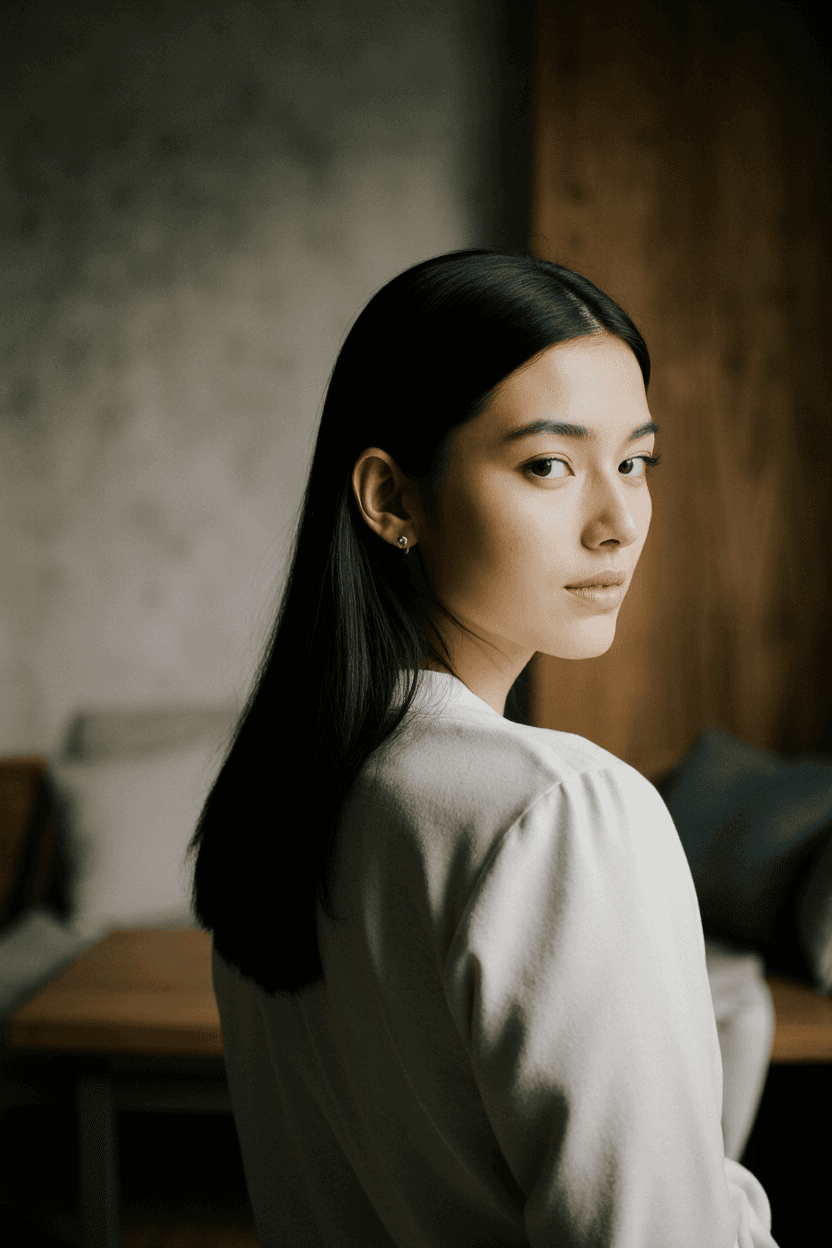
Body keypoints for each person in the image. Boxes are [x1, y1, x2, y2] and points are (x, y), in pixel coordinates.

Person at [187, 250, 778, 1247]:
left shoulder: (278, 799)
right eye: (547, 464)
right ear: (391, 500)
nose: (618, 521)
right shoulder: (563, 807)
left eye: (633, 461)